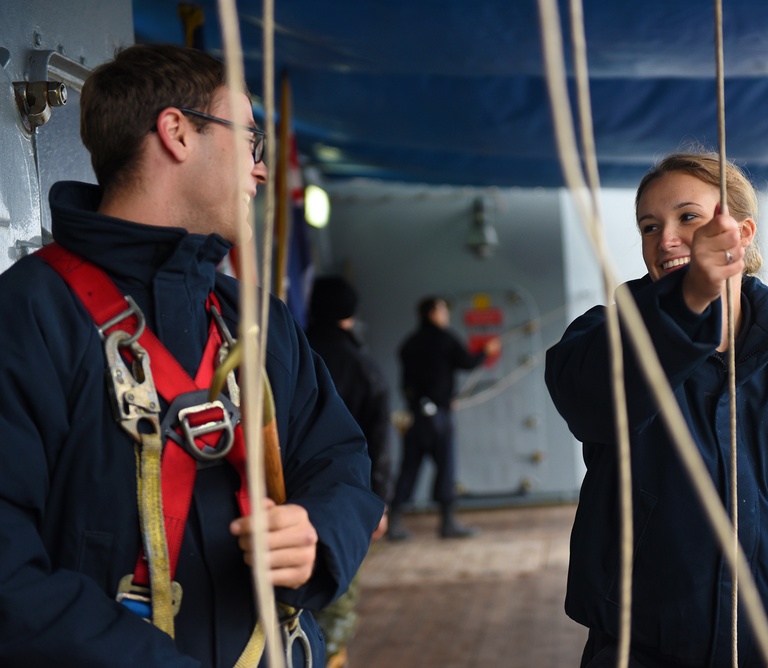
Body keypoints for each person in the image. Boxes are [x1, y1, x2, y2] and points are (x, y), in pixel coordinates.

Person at [0, 44, 384, 667]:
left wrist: (319, 534)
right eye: (252, 141)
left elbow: (339, 455)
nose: (260, 171)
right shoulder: (28, 316)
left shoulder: (255, 318)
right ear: (176, 132)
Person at [545, 153, 768, 668]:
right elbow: (591, 401)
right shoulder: (607, 339)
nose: (665, 238)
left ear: (742, 232)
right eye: (649, 226)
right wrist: (687, 301)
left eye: (687, 217)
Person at [306, 275, 392, 668]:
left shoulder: (292, 352)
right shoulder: (363, 365)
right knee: (337, 597)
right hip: (343, 502)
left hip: (281, 498)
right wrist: (377, 502)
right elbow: (378, 438)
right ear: (350, 313)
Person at [387, 296, 501, 540]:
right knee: (446, 468)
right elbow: (467, 362)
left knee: (409, 468)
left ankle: (392, 523)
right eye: (442, 310)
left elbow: (409, 382)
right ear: (432, 313)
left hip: (414, 416)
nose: (446, 314)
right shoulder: (446, 339)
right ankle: (447, 523)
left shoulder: (409, 343)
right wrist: (486, 352)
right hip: (439, 417)